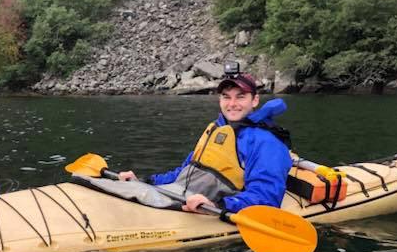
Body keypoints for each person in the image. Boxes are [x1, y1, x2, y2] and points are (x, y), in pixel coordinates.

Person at [118, 70, 292, 214]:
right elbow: (185, 172)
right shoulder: (217, 130)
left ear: (254, 100)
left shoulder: (267, 142)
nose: (232, 104)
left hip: (211, 207)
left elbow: (266, 197)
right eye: (226, 97)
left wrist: (216, 205)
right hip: (181, 196)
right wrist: (145, 181)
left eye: (240, 97)